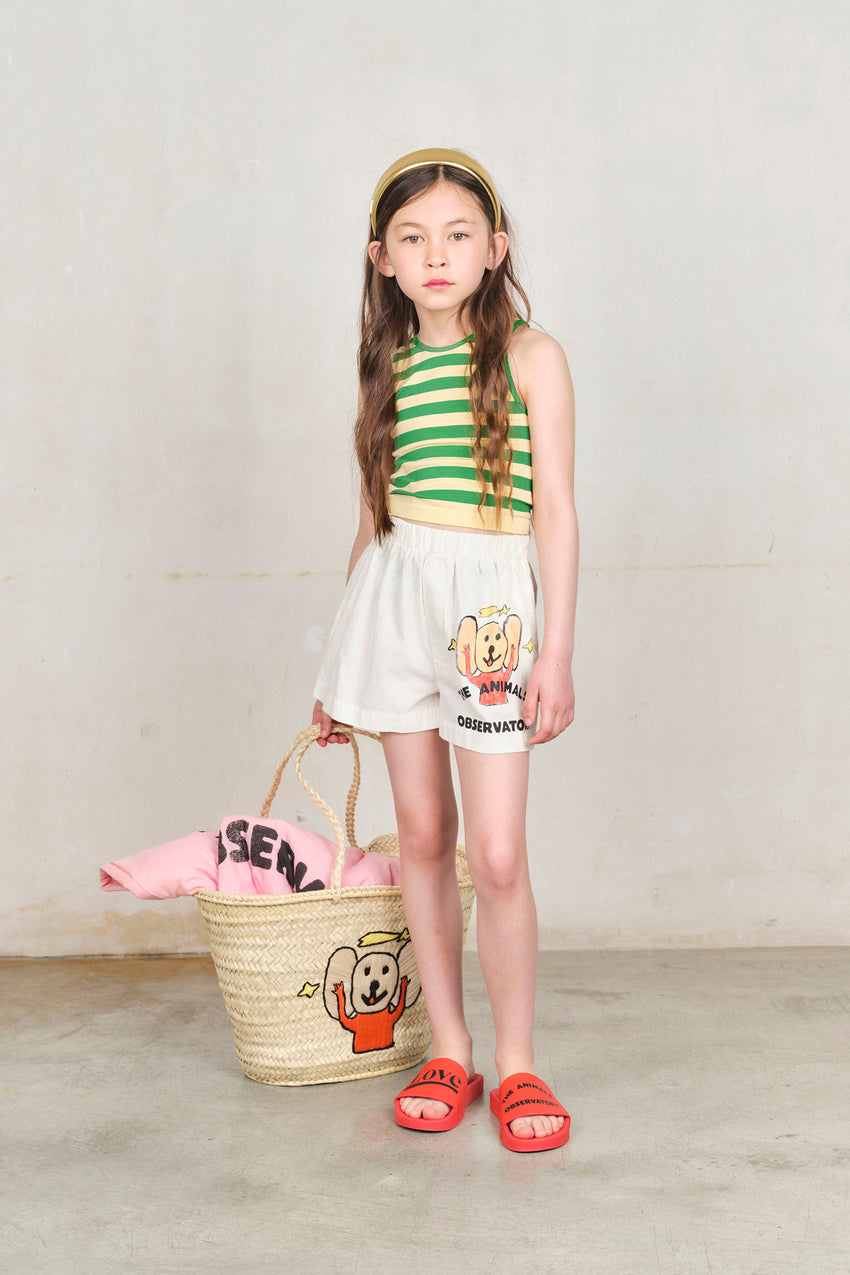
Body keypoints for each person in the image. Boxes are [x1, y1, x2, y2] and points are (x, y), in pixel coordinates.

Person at [312, 148, 578, 1153]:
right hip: (393, 601)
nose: (436, 256)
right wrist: (340, 667)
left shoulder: (529, 356)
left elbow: (556, 511)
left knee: (497, 853)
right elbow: (373, 522)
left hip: (489, 613)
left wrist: (555, 652)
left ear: (494, 248)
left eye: (458, 235)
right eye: (413, 238)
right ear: (380, 257)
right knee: (421, 835)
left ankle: (516, 1062)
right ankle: (452, 1049)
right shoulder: (386, 365)